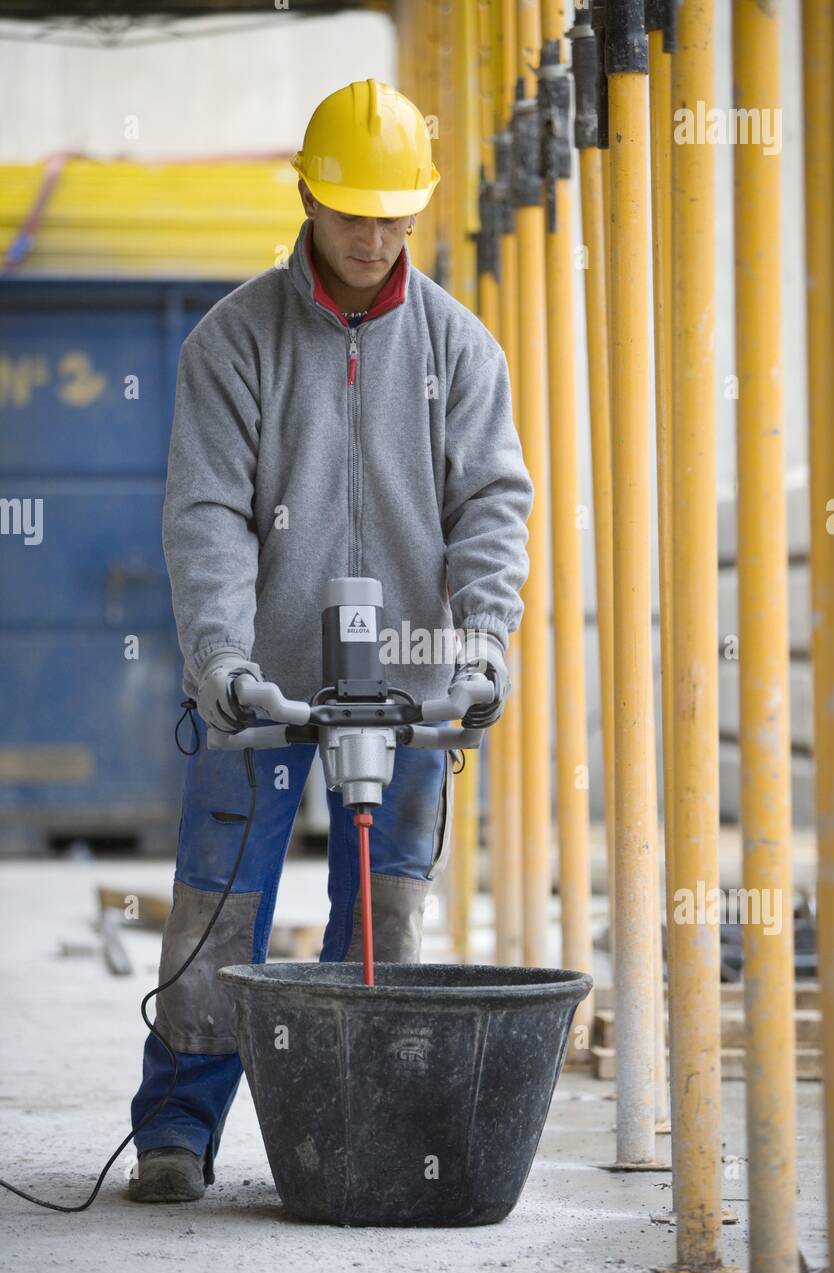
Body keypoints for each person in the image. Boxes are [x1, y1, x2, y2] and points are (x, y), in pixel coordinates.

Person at [128, 78, 533, 1203]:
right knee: (220, 902)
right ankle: (176, 1129)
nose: (374, 235)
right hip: (256, 687)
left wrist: (482, 645)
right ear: (305, 195)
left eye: (395, 212)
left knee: (386, 906)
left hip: (407, 684)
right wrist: (222, 664)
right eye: (353, 210)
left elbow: (491, 504)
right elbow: (205, 512)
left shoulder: (460, 350)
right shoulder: (233, 342)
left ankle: (385, 1132)